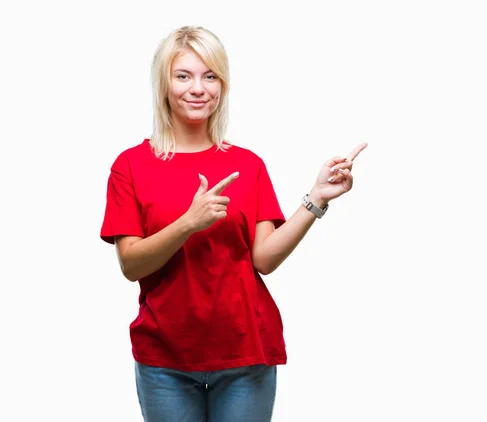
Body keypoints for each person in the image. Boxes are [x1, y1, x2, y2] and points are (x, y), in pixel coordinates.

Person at [100, 25, 367, 422]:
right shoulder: (131, 166)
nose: (198, 88)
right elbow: (131, 265)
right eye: (183, 76)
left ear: (222, 86)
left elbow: (264, 259)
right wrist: (188, 223)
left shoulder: (248, 164)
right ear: (164, 84)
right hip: (165, 360)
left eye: (210, 76)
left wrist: (316, 199)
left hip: (246, 354)